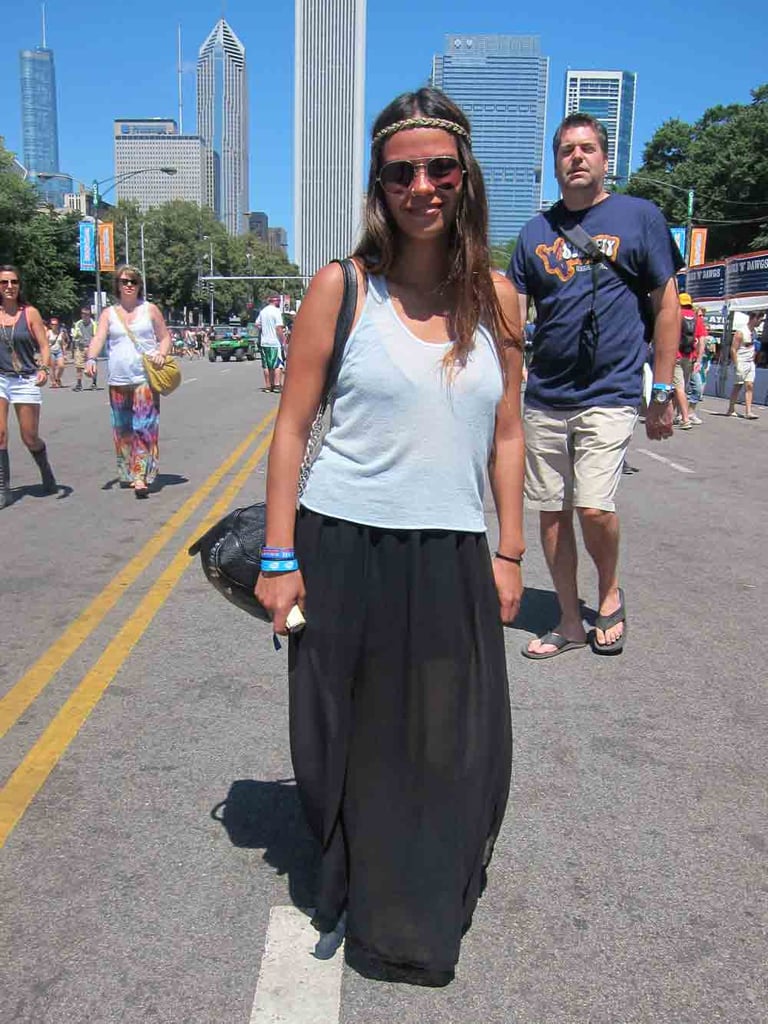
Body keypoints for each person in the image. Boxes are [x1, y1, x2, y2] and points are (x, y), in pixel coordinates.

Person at [255, 88, 524, 986]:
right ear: (380, 183)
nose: (422, 186)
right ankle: (347, 878)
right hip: (342, 543)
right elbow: (292, 427)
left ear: (465, 177)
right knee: (343, 735)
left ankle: (414, 906)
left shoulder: (498, 297)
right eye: (402, 171)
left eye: (439, 168)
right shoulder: (344, 285)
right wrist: (281, 555)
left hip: (449, 552)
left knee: (449, 741)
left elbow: (509, 433)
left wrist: (511, 549)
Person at [508, 112, 682, 658]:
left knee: (593, 507)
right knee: (552, 511)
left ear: (605, 159)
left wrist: (660, 392)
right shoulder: (534, 233)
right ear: (555, 162)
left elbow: (667, 306)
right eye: (566, 150)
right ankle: (568, 619)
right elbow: (514, 325)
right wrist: (507, 400)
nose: (576, 157)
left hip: (609, 393)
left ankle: (608, 593)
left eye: (587, 148)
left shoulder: (640, 217)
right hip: (545, 399)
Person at [85, 265, 172, 498]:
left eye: (133, 281)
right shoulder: (108, 314)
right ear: (118, 286)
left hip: (145, 376)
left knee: (143, 426)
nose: (129, 285)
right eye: (124, 281)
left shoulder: (150, 310)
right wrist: (91, 358)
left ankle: (140, 476)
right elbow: (99, 337)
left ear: (139, 285)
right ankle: (128, 470)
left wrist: (161, 354)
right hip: (118, 379)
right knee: (122, 429)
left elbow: (165, 338)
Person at [0, 264, 57, 508]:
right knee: (0, 434)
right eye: (4, 283)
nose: (9, 287)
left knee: (29, 436)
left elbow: (44, 346)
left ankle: (46, 470)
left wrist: (44, 369)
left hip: (25, 379)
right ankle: (4, 489)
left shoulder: (29, 312)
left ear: (20, 285)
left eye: (13, 282)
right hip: (1, 377)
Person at [674, 293, 706, 427]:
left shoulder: (675, 314)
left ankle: (685, 418)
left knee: (678, 387)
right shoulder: (696, 318)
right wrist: (698, 360)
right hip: (689, 356)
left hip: (675, 356)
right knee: (682, 387)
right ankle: (676, 415)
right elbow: (702, 341)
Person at [726, 310, 764, 419]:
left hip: (750, 362)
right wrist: (736, 364)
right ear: (754, 318)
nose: (760, 323)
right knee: (738, 386)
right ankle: (731, 409)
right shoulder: (741, 332)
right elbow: (733, 349)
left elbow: (754, 347)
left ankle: (748, 411)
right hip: (741, 361)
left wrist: (754, 359)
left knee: (749, 385)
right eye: (760, 320)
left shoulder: (755, 332)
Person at [255, 294, 286, 392]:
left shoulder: (263, 311)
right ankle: (276, 385)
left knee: (266, 365)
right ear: (275, 301)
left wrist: (264, 329)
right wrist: (283, 340)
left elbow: (257, 324)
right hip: (275, 342)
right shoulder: (276, 312)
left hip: (264, 342)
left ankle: (268, 385)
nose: (279, 303)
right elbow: (279, 328)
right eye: (278, 301)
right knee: (277, 364)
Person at [71, 304, 98, 391]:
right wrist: (76, 336)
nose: (84, 315)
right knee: (79, 366)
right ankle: (79, 384)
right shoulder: (78, 324)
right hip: (80, 347)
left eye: (86, 314)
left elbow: (96, 337)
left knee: (92, 366)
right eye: (83, 313)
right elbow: (74, 335)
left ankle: (94, 383)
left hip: (91, 348)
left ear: (89, 314)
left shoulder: (93, 324)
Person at [46, 316, 68, 388]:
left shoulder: (61, 333)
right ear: (50, 325)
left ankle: (57, 378)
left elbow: (63, 344)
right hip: (51, 351)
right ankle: (53, 382)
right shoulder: (48, 333)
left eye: (55, 324)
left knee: (61, 366)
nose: (54, 326)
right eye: (52, 324)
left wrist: (64, 354)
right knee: (52, 368)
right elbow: (44, 344)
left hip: (59, 351)